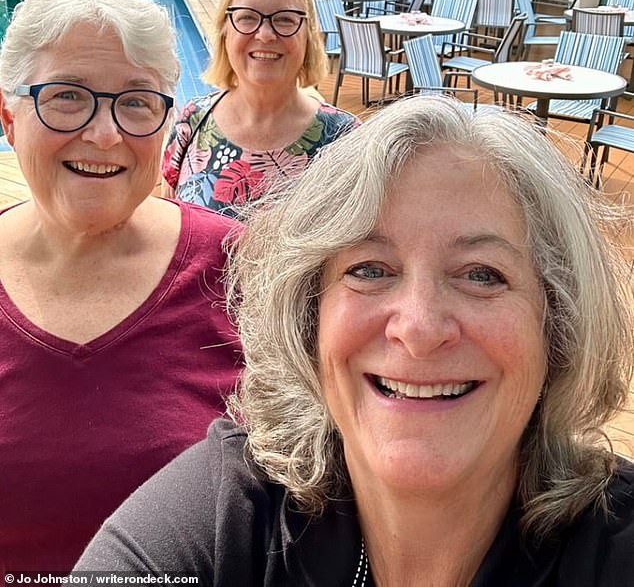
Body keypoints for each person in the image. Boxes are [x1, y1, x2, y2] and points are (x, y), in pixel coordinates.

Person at [76, 96, 634, 583]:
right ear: (310, 316)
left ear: (557, 326)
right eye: (370, 269)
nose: (417, 329)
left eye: (482, 274)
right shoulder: (226, 521)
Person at [0, 0, 241, 573]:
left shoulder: (241, 270)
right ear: (9, 119)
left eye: (136, 101)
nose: (104, 135)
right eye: (67, 96)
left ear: (164, 126)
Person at [161, 0, 358, 216]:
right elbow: (169, 218)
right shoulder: (193, 121)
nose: (265, 34)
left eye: (285, 19)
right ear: (225, 30)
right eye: (247, 17)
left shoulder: (346, 139)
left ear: (308, 35)